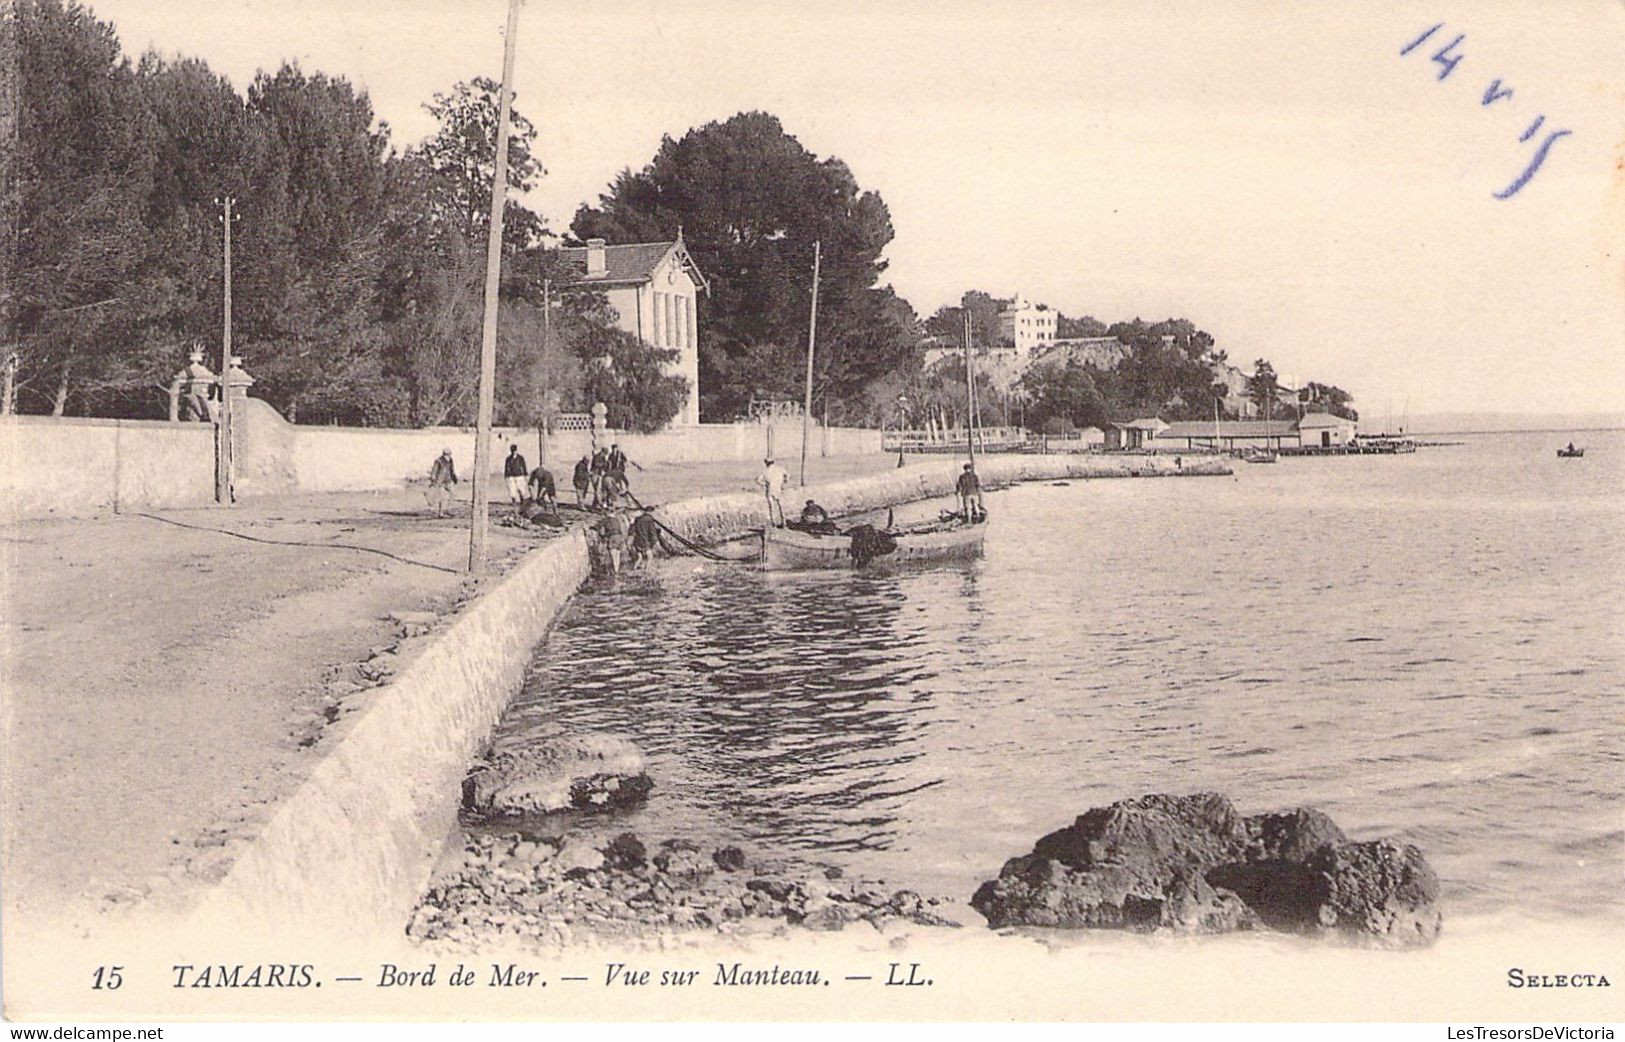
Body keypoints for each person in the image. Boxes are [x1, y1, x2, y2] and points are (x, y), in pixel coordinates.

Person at [426, 447, 458, 517]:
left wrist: (454, 478)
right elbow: (434, 472)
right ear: (443, 455)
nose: (448, 456)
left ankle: (448, 509)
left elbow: (452, 470)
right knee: (441, 498)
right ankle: (440, 513)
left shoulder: (450, 460)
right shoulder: (438, 461)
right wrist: (433, 481)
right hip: (440, 482)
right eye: (447, 455)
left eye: (449, 455)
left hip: (448, 481)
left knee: (453, 494)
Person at [757, 456, 788, 527]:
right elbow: (787, 475)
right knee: (781, 506)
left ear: (766, 463)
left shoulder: (766, 471)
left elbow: (758, 480)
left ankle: (773, 522)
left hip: (770, 489)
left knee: (771, 507)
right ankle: (784, 522)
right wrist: (783, 482)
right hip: (778, 489)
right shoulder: (780, 469)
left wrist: (765, 484)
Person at [597, 508, 630, 573]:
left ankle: (615, 572)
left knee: (613, 556)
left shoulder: (606, 520)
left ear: (607, 513)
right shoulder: (616, 520)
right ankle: (617, 570)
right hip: (620, 537)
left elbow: (598, 527)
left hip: (612, 537)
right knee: (617, 556)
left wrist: (602, 536)